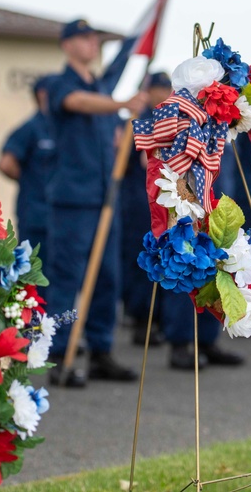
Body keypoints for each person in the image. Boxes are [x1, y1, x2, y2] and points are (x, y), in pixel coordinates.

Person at [44, 19, 147, 387]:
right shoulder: (61, 86)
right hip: (74, 201)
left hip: (106, 199)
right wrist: (122, 103)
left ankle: (101, 350)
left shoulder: (101, 86)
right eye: (86, 38)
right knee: (68, 280)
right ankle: (59, 354)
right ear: (68, 44)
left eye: (95, 39)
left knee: (107, 278)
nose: (93, 45)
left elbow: (115, 73)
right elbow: (79, 103)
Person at [121, 72, 172, 347]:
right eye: (159, 89)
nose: (164, 94)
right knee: (144, 264)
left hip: (165, 202)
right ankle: (142, 323)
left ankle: (159, 322)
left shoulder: (171, 118)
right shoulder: (141, 121)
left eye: (167, 88)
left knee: (166, 262)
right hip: (140, 203)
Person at [0, 75, 56, 269]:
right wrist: (30, 179)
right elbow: (6, 163)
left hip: (57, 217)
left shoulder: (60, 127)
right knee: (33, 273)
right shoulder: (31, 128)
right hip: (35, 216)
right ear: (42, 95)